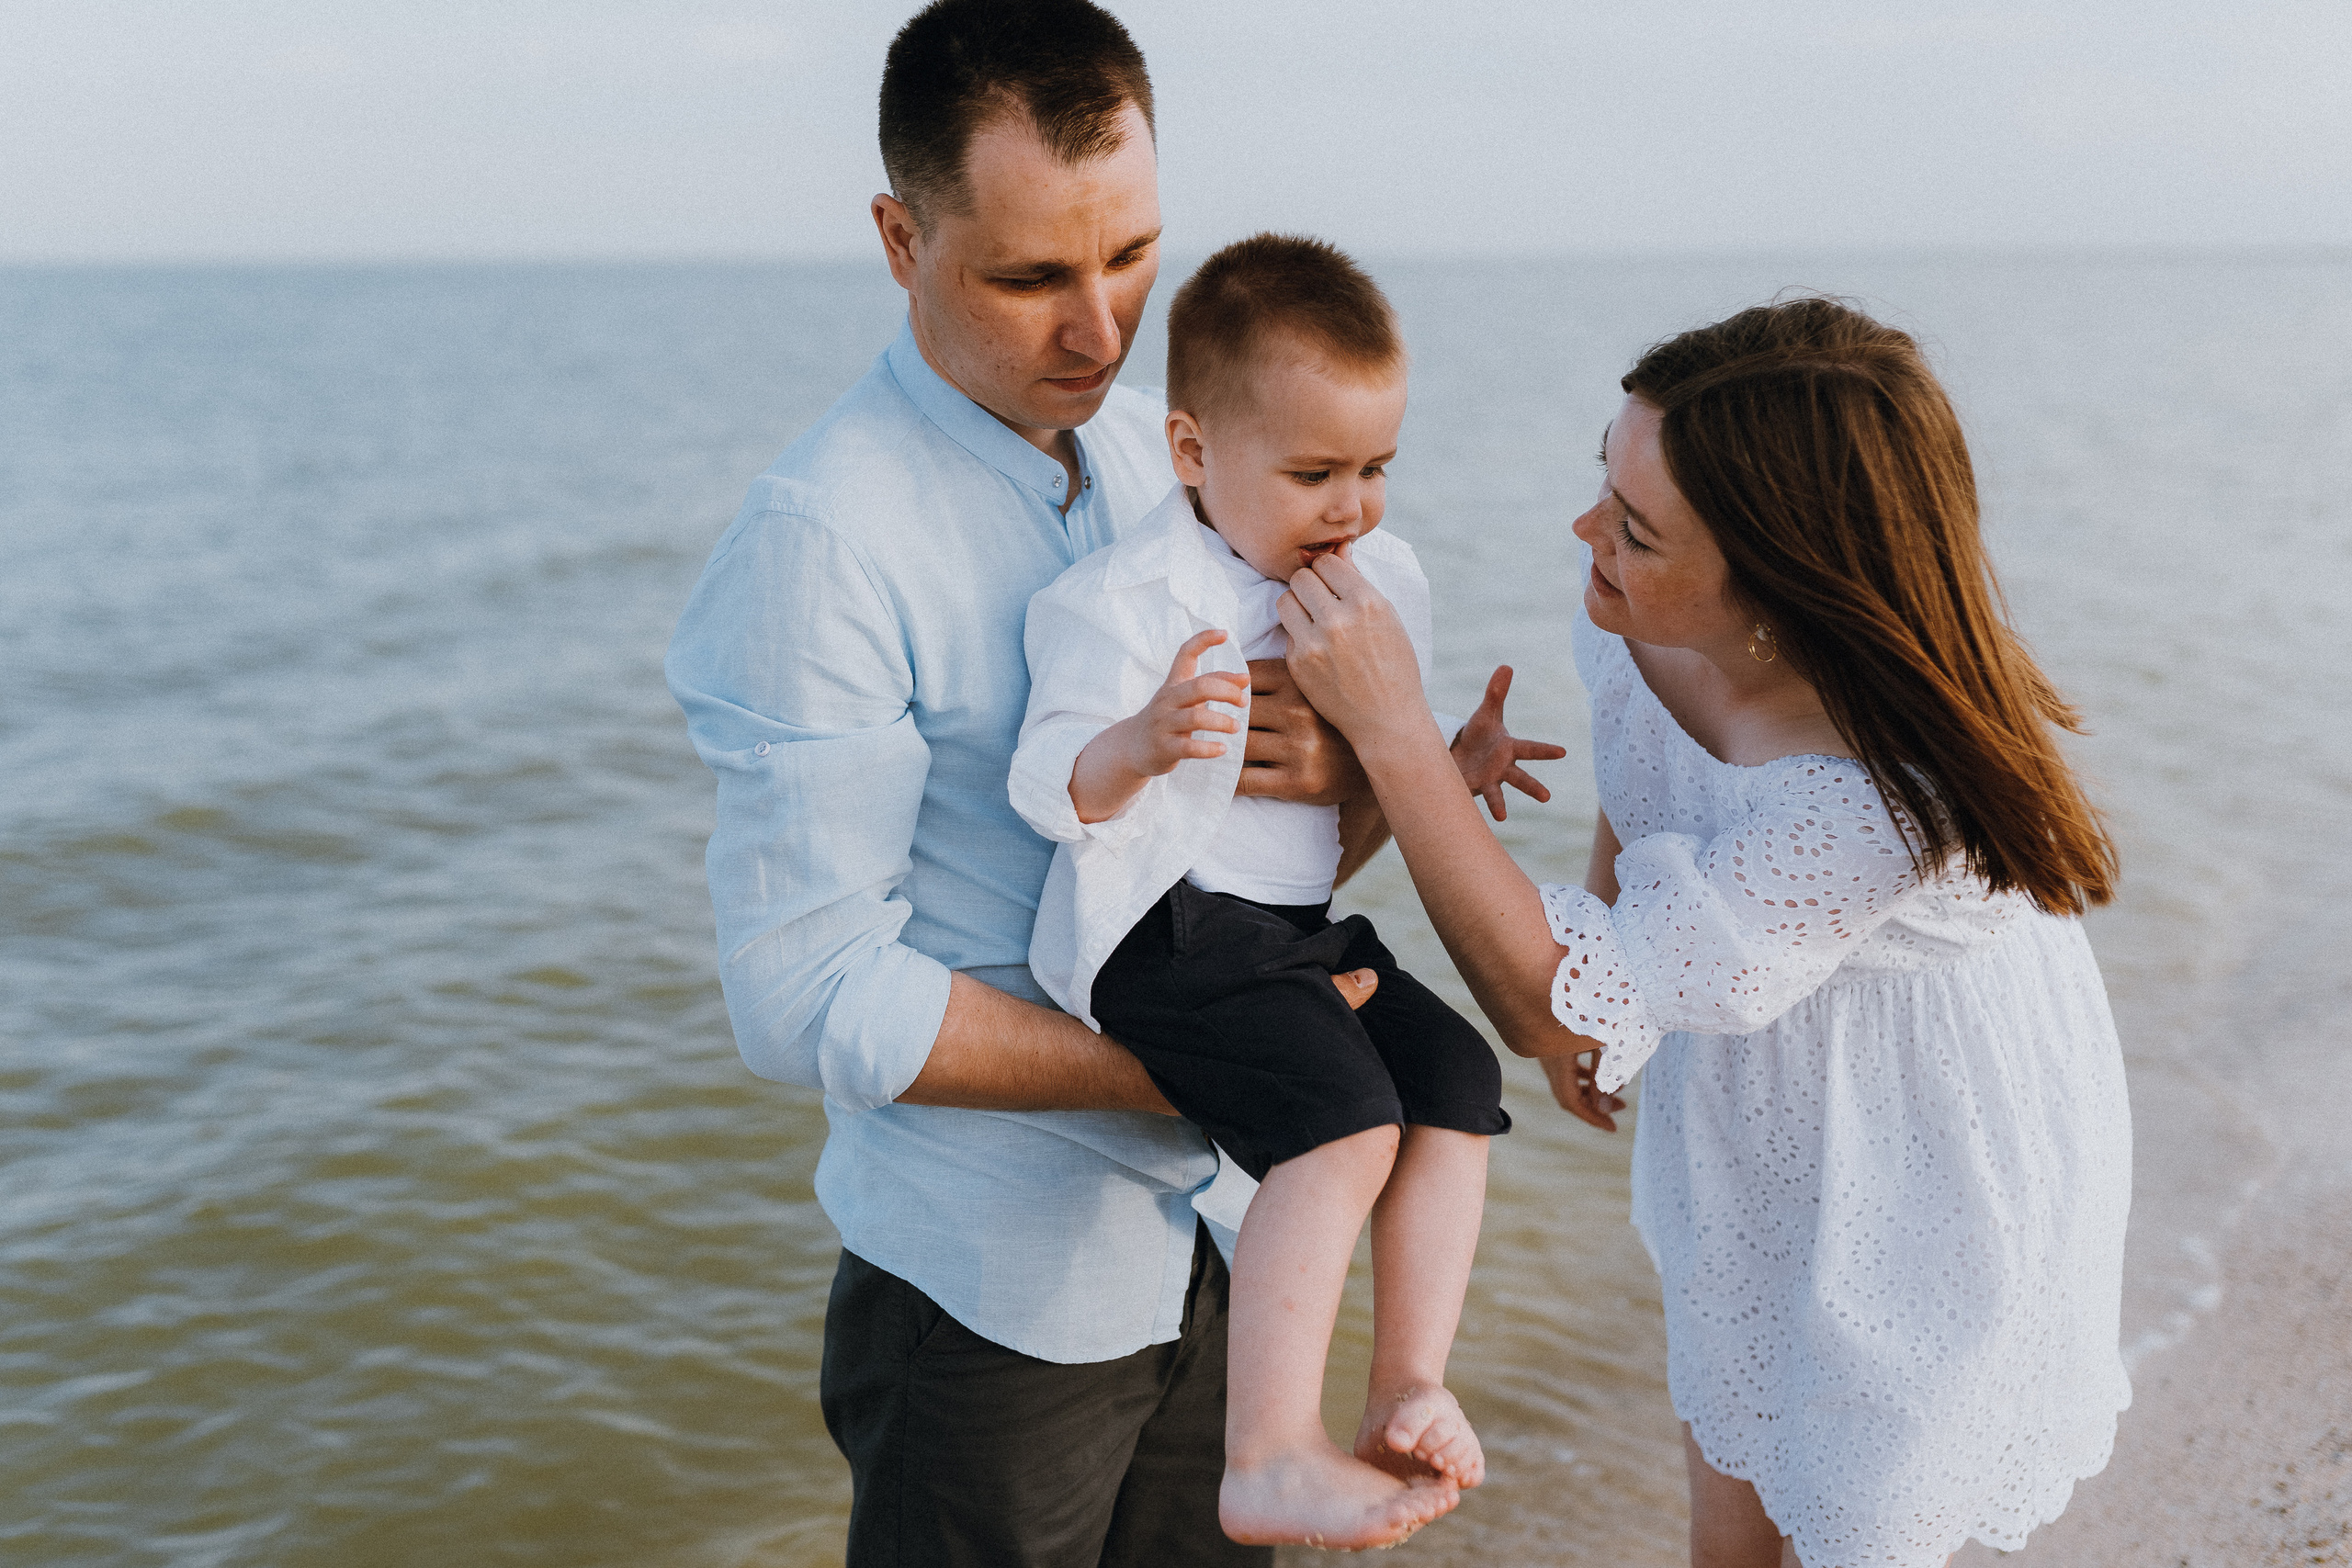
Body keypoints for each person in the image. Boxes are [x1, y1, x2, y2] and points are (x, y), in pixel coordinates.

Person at [666, 5, 1464, 1563]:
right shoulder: (821, 542)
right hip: (993, 1302)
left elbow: (1239, 859)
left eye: (1131, 257)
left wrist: (1351, 782)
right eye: (1031, 277)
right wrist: (1196, 1075)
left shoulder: (1166, 462)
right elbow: (807, 991)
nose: (1099, 330)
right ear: (901, 238)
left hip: (1226, 1236)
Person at [1268, 297, 2134, 1568]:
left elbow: (1544, 1000)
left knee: (1867, 1501)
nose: (1585, 537)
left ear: (1781, 584)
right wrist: (1619, 936)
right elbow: (1646, 773)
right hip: (1757, 1085)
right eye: (1602, 487)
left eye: (1634, 529)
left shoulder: (1878, 803)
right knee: (1733, 1457)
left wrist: (1398, 741)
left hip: (1926, 1145)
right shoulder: (1639, 609)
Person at [1011, 235, 1557, 1550]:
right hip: (1159, 927)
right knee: (1343, 1116)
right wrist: (1136, 742)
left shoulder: (1382, 583)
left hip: (1291, 930)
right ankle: (1266, 1452)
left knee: (1450, 1080)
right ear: (1193, 452)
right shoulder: (1128, 597)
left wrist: (1450, 756)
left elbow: (1379, 760)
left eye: (1375, 469)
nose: (1352, 506)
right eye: (1313, 474)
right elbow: (1045, 782)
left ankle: (1408, 1383)